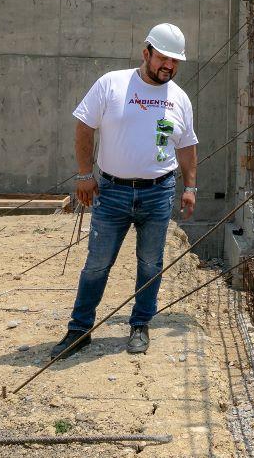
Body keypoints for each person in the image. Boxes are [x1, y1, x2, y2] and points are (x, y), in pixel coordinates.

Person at [50, 23, 199, 361]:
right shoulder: (112, 83)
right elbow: (84, 126)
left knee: (150, 263)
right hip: (112, 192)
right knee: (97, 263)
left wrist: (190, 186)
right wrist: (84, 173)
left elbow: (187, 145)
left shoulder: (179, 98)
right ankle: (80, 330)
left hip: (159, 192)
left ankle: (140, 325)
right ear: (146, 52)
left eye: (175, 61)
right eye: (163, 58)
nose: (169, 67)